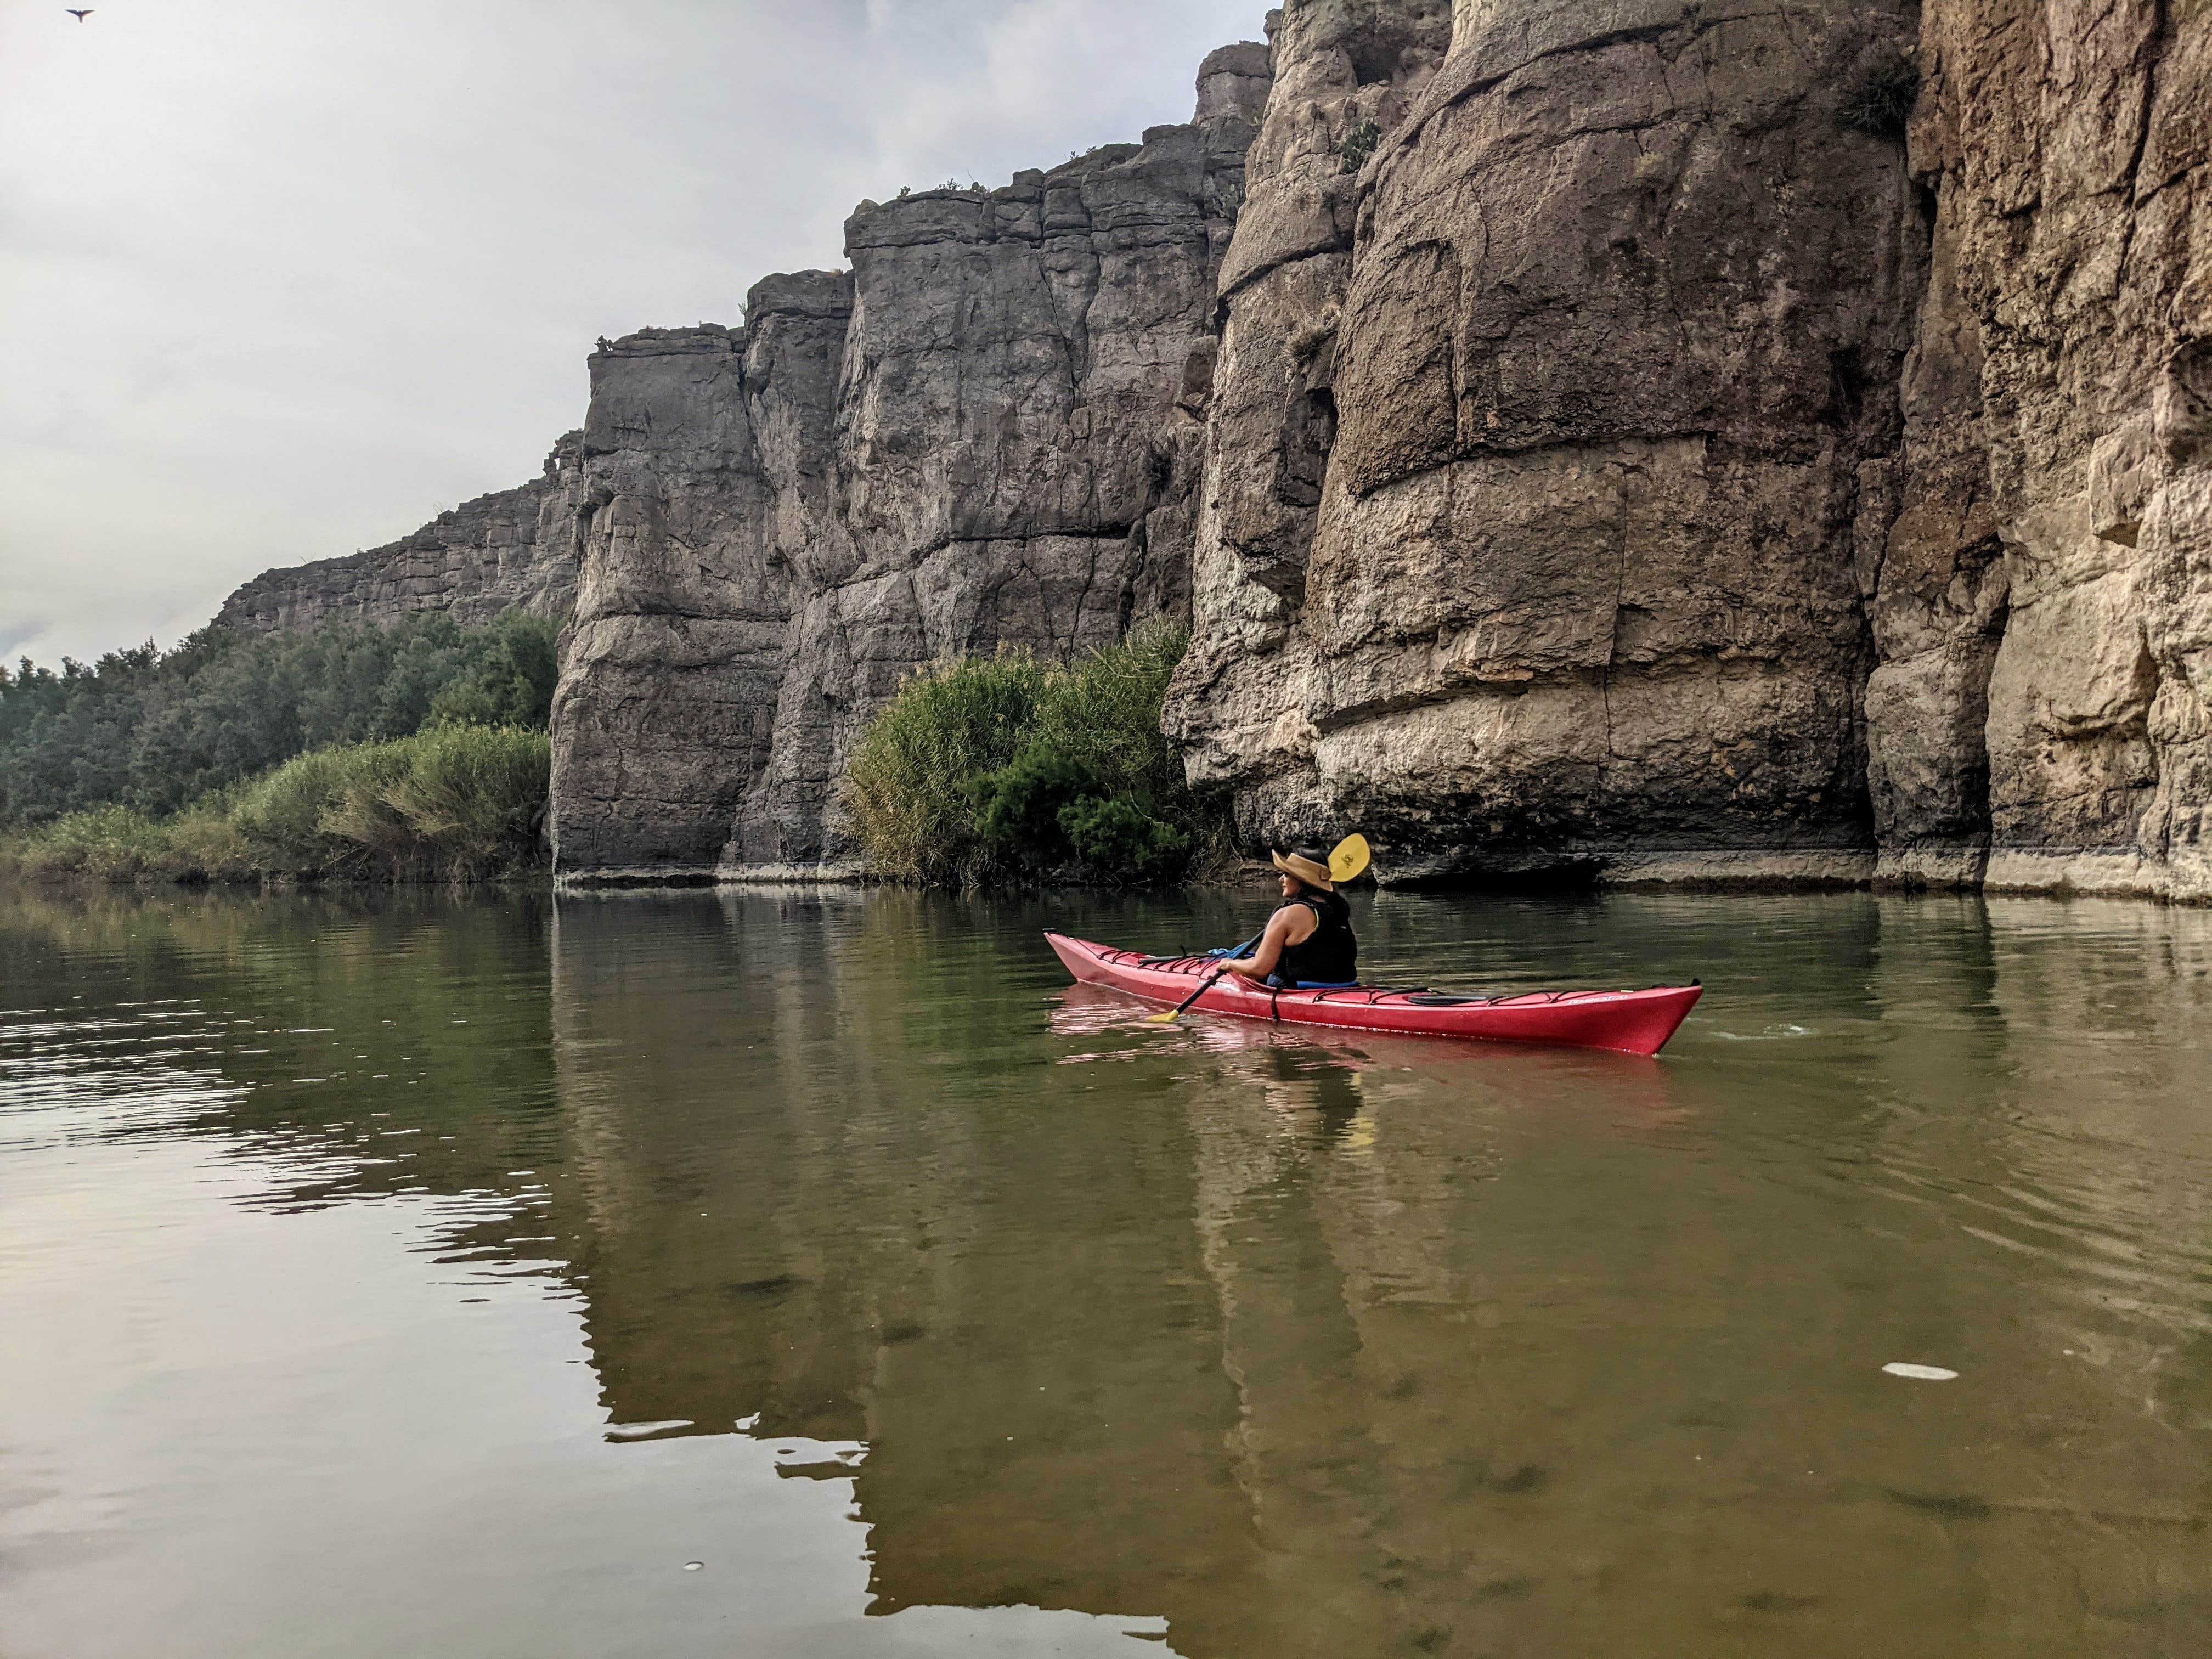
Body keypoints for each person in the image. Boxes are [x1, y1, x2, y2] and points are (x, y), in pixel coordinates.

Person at [1216, 847, 1358, 988]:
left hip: (1298, 989)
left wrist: (1229, 963)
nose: (1281, 879)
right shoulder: (1339, 908)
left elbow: (1259, 969)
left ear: (1301, 879)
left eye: (1286, 874)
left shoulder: (1287, 914)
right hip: (1344, 986)